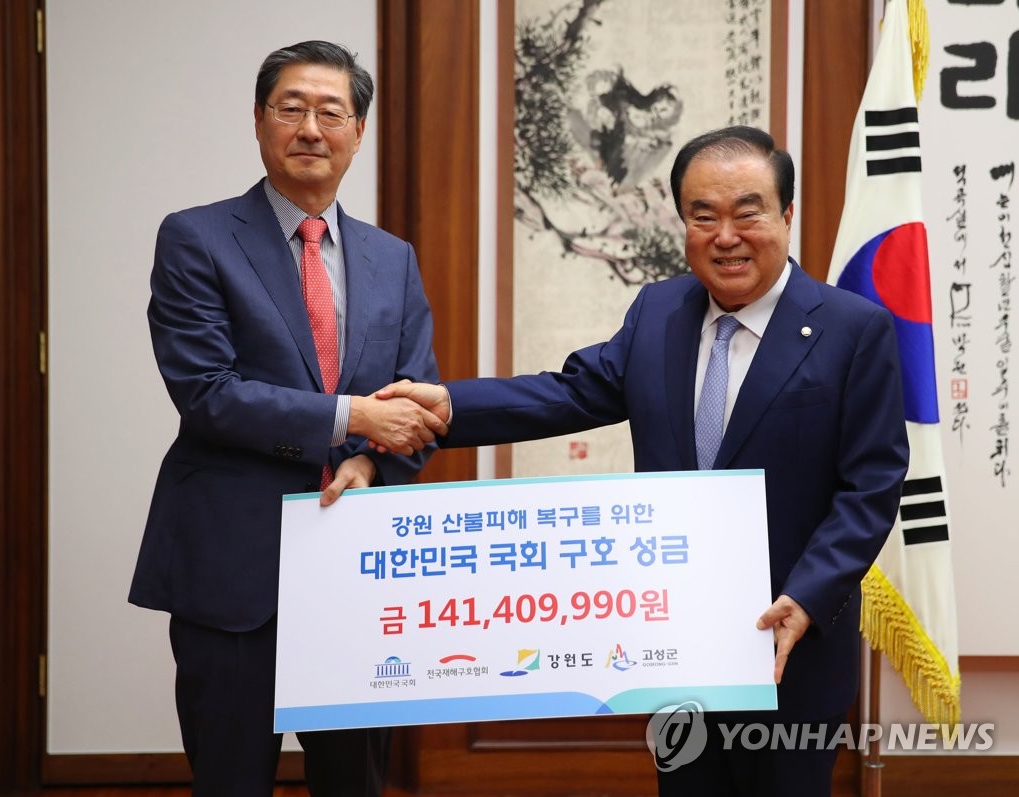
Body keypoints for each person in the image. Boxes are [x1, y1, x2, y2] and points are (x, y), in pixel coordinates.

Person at [374, 126, 909, 796]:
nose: (726, 236)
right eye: (703, 216)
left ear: (787, 216)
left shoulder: (852, 329)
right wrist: (448, 406)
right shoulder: (660, 311)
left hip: (789, 644)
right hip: (674, 639)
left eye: (748, 213)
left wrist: (806, 596)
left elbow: (872, 483)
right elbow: (570, 392)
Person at [129, 40, 447, 797]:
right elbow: (207, 392)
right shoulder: (196, 238)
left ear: (358, 131)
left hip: (355, 571)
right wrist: (352, 416)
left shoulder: (392, 257)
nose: (310, 128)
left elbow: (418, 400)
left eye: (331, 112)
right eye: (291, 108)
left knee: (354, 783)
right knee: (231, 780)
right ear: (258, 119)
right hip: (233, 567)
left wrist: (370, 460)